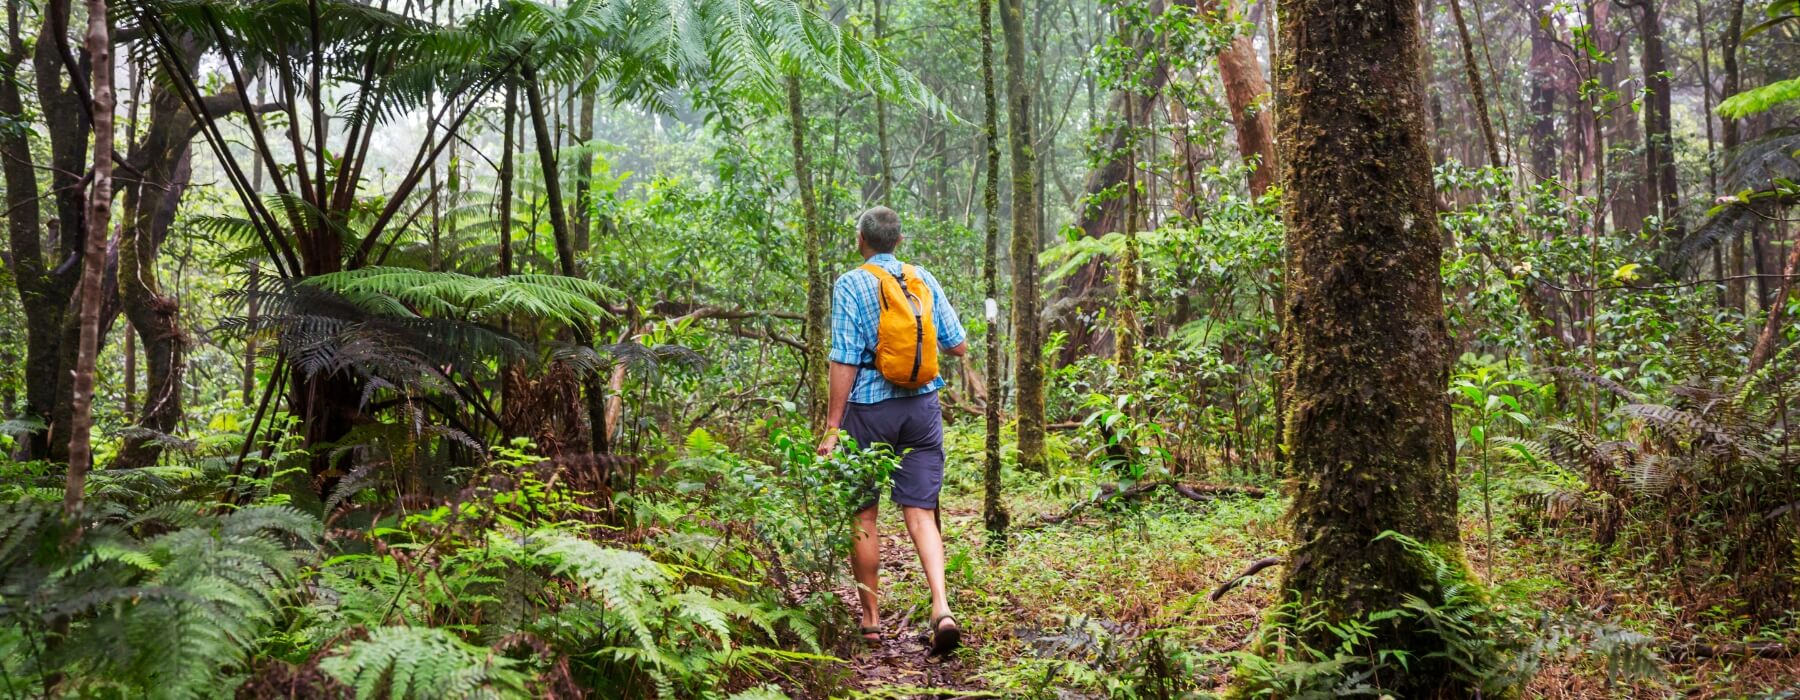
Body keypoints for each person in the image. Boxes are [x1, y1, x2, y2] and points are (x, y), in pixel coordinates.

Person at [816, 206, 968, 656]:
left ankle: (871, 621)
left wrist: (831, 427)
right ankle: (941, 606)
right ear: (899, 241)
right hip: (921, 407)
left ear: (861, 239)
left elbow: (843, 357)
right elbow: (958, 344)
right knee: (920, 512)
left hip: (868, 409)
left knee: (863, 514)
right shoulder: (921, 277)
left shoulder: (850, 283)